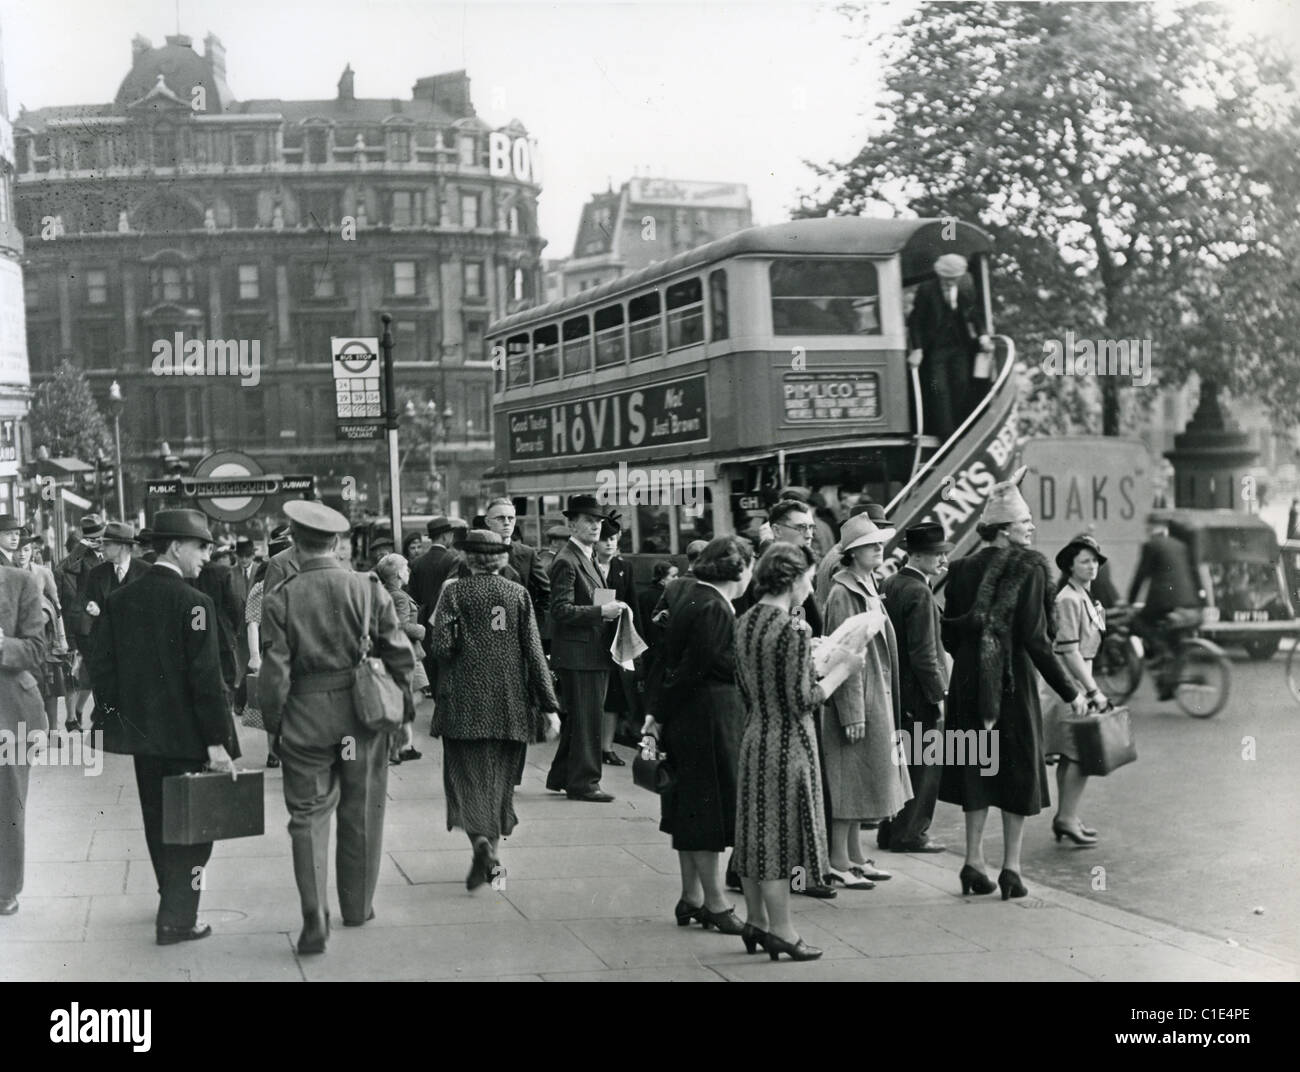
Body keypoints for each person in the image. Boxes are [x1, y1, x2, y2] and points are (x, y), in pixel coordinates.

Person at [259, 500, 415, 955]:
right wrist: (403, 714)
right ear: (337, 542)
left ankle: (314, 914)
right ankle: (357, 905)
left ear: (294, 540)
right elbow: (399, 654)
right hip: (360, 720)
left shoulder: (281, 596)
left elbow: (274, 674)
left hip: (306, 722)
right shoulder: (367, 588)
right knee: (361, 808)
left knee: (306, 817)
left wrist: (275, 726)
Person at [89, 509, 238, 945]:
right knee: (196, 834)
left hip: (144, 740)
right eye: (201, 547)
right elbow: (206, 681)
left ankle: (169, 895)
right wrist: (217, 741)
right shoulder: (195, 605)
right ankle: (177, 918)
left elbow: (103, 671)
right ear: (176, 546)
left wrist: (120, 720)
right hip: (189, 741)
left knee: (158, 823)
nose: (206, 557)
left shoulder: (121, 600)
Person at [939, 468, 1086, 901]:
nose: (1032, 529)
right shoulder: (1031, 569)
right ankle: (1012, 869)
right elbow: (1037, 641)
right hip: (1011, 684)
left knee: (976, 769)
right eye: (1025, 524)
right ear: (1004, 532)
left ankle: (971, 862)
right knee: (1016, 771)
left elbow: (949, 634)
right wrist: (1071, 691)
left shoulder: (962, 569)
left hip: (968, 685)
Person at [733, 543, 864, 961]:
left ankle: (754, 921)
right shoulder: (794, 628)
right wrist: (844, 668)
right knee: (782, 841)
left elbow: (748, 687)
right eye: (808, 577)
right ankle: (784, 932)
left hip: (755, 737)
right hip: (789, 744)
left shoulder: (747, 620)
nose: (811, 586)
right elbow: (803, 698)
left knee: (754, 835)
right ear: (791, 579)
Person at [429, 529, 560, 887]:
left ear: (469, 559)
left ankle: (481, 845)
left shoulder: (454, 592)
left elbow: (440, 646)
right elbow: (534, 653)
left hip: (462, 702)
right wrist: (549, 705)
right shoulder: (517, 594)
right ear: (501, 559)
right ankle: (494, 859)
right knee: (499, 784)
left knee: (465, 779)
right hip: (509, 703)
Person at [648, 536, 753, 934]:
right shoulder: (714, 606)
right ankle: (715, 903)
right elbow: (701, 667)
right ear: (738, 568)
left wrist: (658, 713)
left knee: (689, 810)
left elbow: (674, 663)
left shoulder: (691, 596)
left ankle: (691, 897)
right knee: (708, 813)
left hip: (691, 717)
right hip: (709, 717)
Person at [820, 513, 907, 888]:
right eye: (871, 545)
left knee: (862, 779)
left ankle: (854, 855)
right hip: (859, 695)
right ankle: (839, 858)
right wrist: (851, 712)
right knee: (849, 780)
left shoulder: (866, 584)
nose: (879, 549)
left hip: (875, 693)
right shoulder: (844, 592)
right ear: (853, 553)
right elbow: (843, 653)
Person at [545, 493, 628, 802]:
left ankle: (563, 776)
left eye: (598, 522)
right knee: (589, 719)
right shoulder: (567, 560)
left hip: (589, 650)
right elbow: (560, 610)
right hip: (581, 653)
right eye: (589, 521)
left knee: (580, 719)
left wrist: (607, 607)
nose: (595, 527)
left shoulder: (585, 555)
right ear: (571, 524)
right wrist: (600, 613)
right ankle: (585, 783)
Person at [879, 522, 952, 854]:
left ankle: (889, 829)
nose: (943, 562)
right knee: (923, 767)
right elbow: (924, 655)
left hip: (895, 690)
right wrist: (939, 695)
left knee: (901, 765)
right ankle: (911, 833)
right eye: (938, 555)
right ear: (919, 556)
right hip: (919, 694)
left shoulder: (891, 583)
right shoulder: (920, 592)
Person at [1043, 535, 1111, 846]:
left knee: (1073, 755)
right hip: (1072, 688)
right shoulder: (1069, 599)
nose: (1092, 566)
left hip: (1078, 685)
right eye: (1085, 561)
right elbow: (1069, 652)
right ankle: (1066, 818)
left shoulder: (1084, 596)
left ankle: (1066, 816)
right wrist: (1093, 691)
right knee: (1079, 755)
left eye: (1095, 561)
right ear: (1070, 566)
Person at [0, 560, 48, 917]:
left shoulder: (21, 582)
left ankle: (5, 889)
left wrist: (3, 645)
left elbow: (36, 649)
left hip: (10, 711)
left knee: (7, 805)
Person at [906, 253, 992, 439]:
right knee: (940, 390)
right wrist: (918, 350)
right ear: (939, 275)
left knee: (961, 383)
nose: (949, 282)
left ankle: (962, 429)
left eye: (953, 278)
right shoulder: (927, 290)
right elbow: (915, 322)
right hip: (935, 348)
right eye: (946, 278)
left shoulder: (966, 287)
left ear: (960, 276)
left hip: (959, 346)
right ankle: (946, 435)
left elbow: (975, 314)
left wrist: (983, 336)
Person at [1127, 511, 1203, 700]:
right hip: (1188, 601)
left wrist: (1130, 601)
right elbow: (1193, 572)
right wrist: (1201, 601)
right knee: (1177, 642)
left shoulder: (1150, 545)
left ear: (1150, 528)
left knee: (1137, 623)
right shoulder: (1180, 545)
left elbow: (1141, 576)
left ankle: (1160, 653)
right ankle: (1168, 683)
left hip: (1163, 601)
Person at [14, 531, 72, 736]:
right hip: (18, 638)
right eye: (18, 550)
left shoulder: (42, 572)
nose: (22, 554)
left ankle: (53, 730)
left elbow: (57, 608)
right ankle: (32, 731)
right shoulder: (7, 572)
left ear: (33, 551)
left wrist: (62, 640)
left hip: (44, 638)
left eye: (26, 550)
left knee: (50, 685)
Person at [243, 531, 292, 768]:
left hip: (280, 651)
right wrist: (255, 656)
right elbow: (253, 624)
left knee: (275, 703)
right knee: (272, 704)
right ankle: (273, 751)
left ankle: (278, 750)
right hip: (271, 652)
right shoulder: (261, 589)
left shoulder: (264, 587)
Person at [374, 553, 428, 765]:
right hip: (408, 654)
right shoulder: (400, 597)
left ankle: (404, 745)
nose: (409, 572)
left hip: (400, 654)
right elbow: (401, 625)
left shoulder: (386, 592)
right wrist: (421, 630)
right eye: (406, 569)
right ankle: (397, 742)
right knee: (412, 697)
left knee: (412, 696)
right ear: (397, 573)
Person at [55, 514, 106, 730]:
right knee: (84, 670)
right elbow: (67, 568)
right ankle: (78, 715)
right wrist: (82, 547)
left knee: (94, 671)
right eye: (97, 537)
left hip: (101, 619)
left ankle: (79, 711)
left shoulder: (105, 556)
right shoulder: (80, 559)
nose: (101, 540)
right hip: (81, 623)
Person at [596, 515, 639, 764]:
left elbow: (633, 603)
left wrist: (638, 645)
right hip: (594, 638)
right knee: (596, 697)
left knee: (613, 696)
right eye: (604, 540)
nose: (609, 544)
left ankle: (607, 747)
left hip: (617, 640)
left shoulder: (624, 567)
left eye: (612, 539)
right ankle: (595, 746)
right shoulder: (589, 566)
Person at [82, 523, 148, 683]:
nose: (102, 548)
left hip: (139, 653)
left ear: (123, 547)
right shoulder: (96, 573)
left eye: (107, 544)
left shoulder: (147, 572)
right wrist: (90, 605)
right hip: (106, 654)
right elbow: (86, 599)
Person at [815, 501, 888, 608]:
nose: (879, 535)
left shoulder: (842, 552)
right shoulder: (846, 560)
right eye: (877, 528)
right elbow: (848, 604)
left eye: (882, 529)